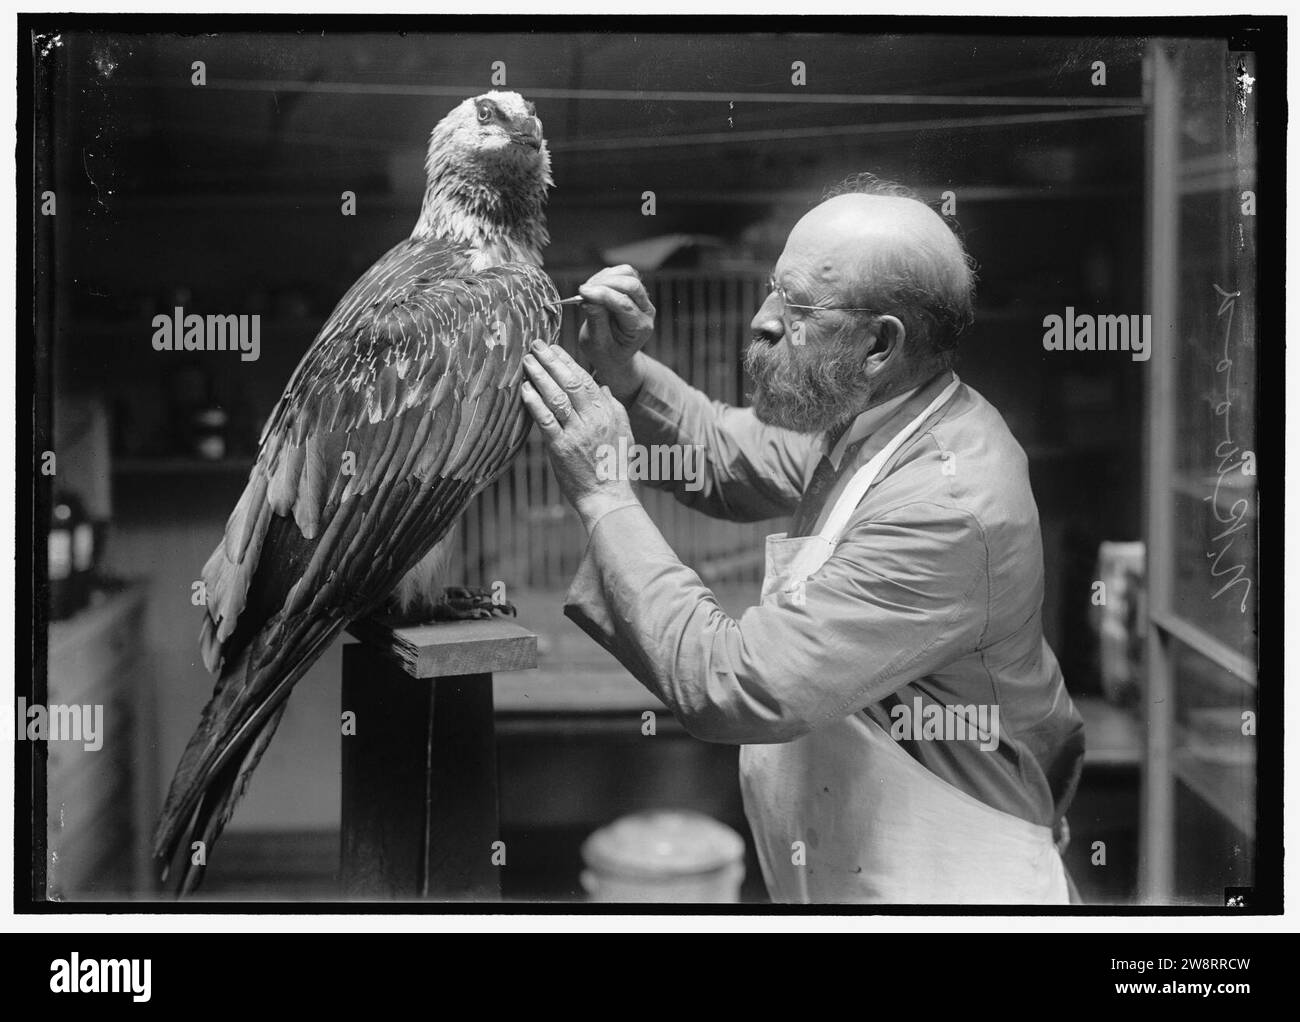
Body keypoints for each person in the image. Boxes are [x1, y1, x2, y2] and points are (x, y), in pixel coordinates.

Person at [519, 175, 1085, 904]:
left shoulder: (948, 504)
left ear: (881, 344)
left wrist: (601, 492)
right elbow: (724, 454)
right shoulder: (876, 423)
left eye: (795, 309)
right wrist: (624, 377)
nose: (758, 322)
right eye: (769, 292)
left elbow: (734, 684)